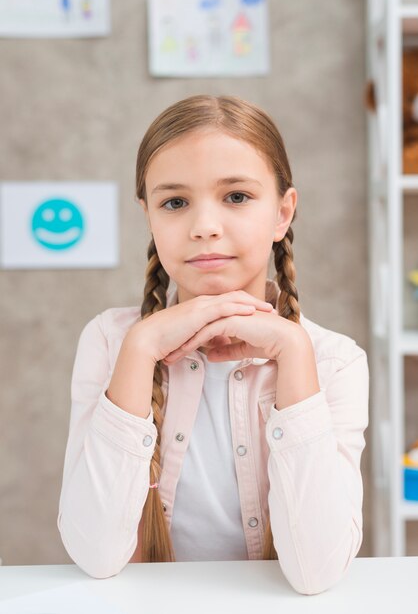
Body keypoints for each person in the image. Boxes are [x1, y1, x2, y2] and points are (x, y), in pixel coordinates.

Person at [57, 94, 369, 595]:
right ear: (149, 217)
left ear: (283, 213)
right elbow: (94, 554)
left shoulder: (334, 360)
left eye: (237, 196)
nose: (204, 226)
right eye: (175, 202)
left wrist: (294, 359)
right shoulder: (111, 341)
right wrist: (140, 350)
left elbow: (317, 573)